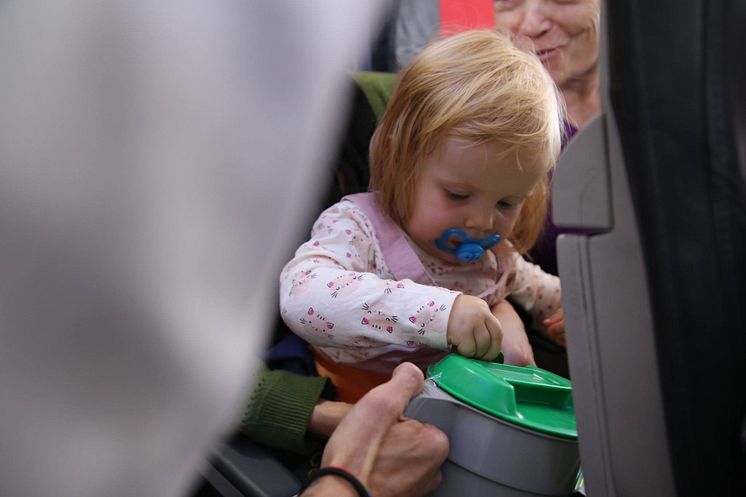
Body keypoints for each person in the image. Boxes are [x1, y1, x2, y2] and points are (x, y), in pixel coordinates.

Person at [280, 30, 566, 402]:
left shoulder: (493, 258)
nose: (481, 222)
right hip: (351, 402)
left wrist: (575, 315)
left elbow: (548, 293)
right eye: (458, 194)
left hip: (451, 409)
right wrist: (440, 314)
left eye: (506, 203)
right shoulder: (361, 230)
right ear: (399, 158)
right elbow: (301, 296)